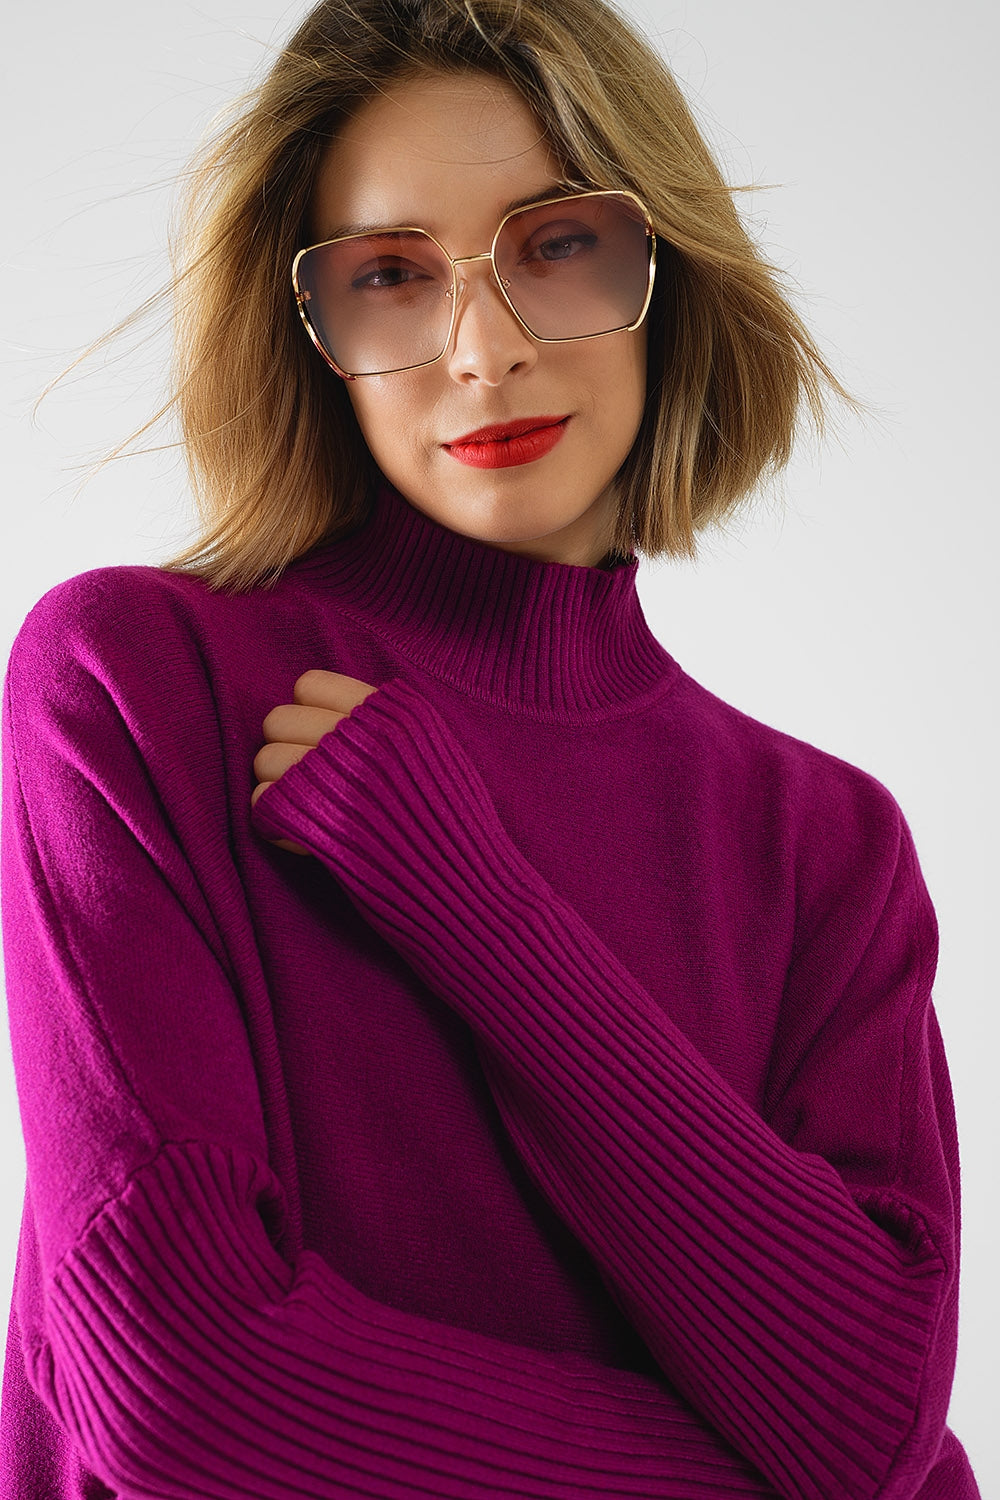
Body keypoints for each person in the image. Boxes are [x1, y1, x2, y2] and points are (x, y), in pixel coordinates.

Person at [0, 0, 981, 1494]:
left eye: (558, 245)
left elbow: (861, 1416)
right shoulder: (140, 683)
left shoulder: (822, 840)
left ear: (668, 273)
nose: (485, 349)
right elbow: (181, 1395)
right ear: (311, 333)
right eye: (390, 276)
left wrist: (469, 899)